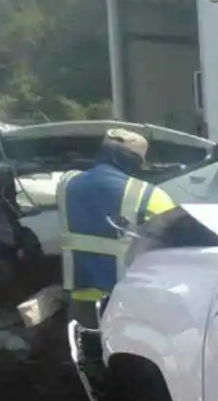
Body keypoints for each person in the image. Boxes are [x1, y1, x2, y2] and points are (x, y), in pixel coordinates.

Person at [55, 127, 178, 331]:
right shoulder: (151, 195)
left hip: (80, 304)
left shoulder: (66, 185)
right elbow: (177, 244)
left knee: (84, 359)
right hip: (124, 305)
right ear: (135, 161)